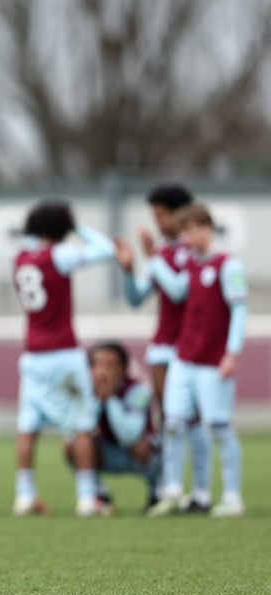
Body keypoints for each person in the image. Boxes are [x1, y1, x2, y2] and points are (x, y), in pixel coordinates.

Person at [141, 204, 247, 517]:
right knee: (173, 421)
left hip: (213, 360)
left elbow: (239, 311)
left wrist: (232, 353)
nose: (184, 238)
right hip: (184, 357)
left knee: (219, 425)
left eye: (188, 231)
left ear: (205, 228)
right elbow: (175, 292)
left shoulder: (229, 266)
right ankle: (173, 490)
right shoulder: (192, 265)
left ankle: (232, 496)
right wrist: (152, 259)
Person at [12, 200, 115, 517]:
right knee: (81, 426)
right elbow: (106, 248)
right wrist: (77, 229)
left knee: (28, 428)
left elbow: (33, 241)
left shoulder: (21, 258)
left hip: (32, 355)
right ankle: (87, 498)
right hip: (63, 354)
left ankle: (25, 495)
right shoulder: (61, 255)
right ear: (62, 228)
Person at [115, 183, 210, 512]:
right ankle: (167, 488)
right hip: (162, 347)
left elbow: (180, 292)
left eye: (162, 215)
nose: (157, 222)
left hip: (191, 348)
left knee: (193, 419)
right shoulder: (165, 254)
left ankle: (200, 492)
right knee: (168, 418)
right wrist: (129, 270)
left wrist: (152, 258)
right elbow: (137, 297)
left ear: (180, 213)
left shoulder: (191, 253)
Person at [83, 341, 162, 513]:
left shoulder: (138, 390)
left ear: (123, 368)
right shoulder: (85, 391)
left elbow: (129, 436)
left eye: (109, 365)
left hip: (135, 453)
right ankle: (97, 494)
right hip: (106, 453)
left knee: (153, 442)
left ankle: (157, 492)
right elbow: (84, 426)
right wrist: (97, 400)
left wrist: (110, 398)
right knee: (75, 444)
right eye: (97, 365)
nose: (102, 371)